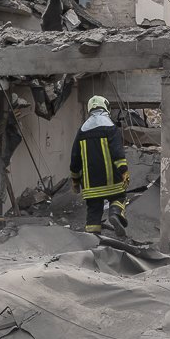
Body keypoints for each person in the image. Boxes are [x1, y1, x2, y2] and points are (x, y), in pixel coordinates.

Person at [70, 95, 128, 235]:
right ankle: (114, 212)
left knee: (93, 211)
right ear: (105, 107)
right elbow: (117, 153)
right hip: (112, 181)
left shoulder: (82, 131)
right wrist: (124, 171)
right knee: (119, 198)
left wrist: (75, 182)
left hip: (91, 186)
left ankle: (93, 240)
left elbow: (75, 159)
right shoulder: (110, 127)